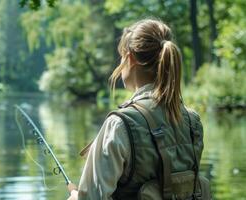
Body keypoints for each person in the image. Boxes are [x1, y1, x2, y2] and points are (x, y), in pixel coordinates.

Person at [67, 19, 205, 200]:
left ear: (130, 58)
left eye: (122, 57)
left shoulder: (120, 124)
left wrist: (76, 196)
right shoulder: (192, 121)